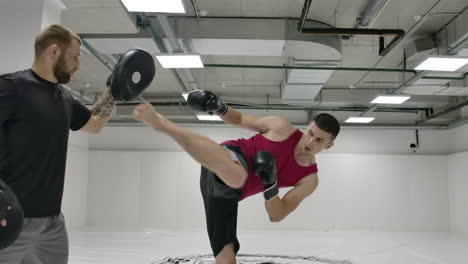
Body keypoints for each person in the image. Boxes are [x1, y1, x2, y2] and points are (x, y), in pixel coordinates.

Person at [133, 89, 340, 264]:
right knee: (237, 175)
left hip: (229, 193)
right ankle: (163, 125)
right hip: (229, 157)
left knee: (227, 261)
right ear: (308, 127)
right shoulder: (281, 127)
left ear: (328, 146)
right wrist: (218, 107)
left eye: (319, 140)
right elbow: (240, 119)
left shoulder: (309, 179)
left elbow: (277, 214)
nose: (310, 141)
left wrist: (270, 184)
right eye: (310, 133)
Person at [0, 24, 116, 263]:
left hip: (52, 224)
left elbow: (93, 124)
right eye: (74, 56)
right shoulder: (12, 87)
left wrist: (114, 90)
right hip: (10, 220)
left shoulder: (63, 97)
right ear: (53, 51)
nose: (78, 65)